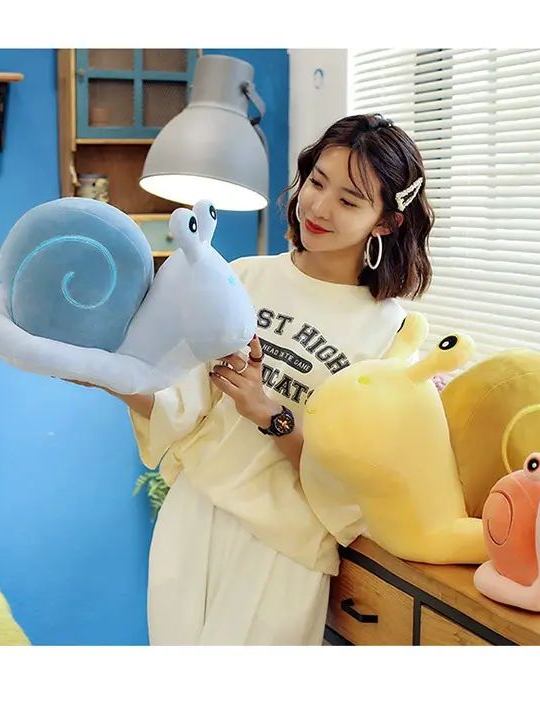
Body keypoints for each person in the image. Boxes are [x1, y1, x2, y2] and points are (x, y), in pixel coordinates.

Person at [95, 113, 434, 644]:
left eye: (349, 200)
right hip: (193, 516)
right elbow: (179, 404)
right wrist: (100, 371)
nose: (318, 207)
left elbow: (351, 486)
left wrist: (270, 415)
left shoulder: (393, 336)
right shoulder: (240, 278)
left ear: (386, 222)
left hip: (283, 551)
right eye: (317, 182)